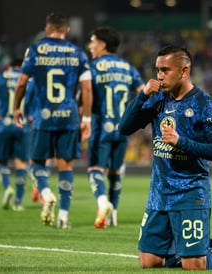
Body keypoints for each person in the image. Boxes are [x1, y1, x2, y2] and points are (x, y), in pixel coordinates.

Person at [119, 45, 212, 270]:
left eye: (165, 70)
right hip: (159, 193)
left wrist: (181, 142)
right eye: (157, 70)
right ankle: (194, 247)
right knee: (148, 262)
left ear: (184, 71)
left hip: (190, 192)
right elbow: (124, 128)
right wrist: (142, 95)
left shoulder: (206, 105)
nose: (159, 76)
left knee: (194, 266)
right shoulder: (157, 100)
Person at [13, 12, 92, 229]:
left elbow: (21, 83)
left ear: (47, 30)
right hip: (69, 117)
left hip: (43, 117)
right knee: (65, 165)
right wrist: (86, 118)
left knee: (36, 162)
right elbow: (86, 88)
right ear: (66, 30)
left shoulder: (36, 50)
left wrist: (16, 107)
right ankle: (64, 216)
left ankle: (46, 193)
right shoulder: (78, 53)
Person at [86, 26, 145, 228]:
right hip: (122, 127)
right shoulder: (128, 68)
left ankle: (103, 203)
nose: (90, 45)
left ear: (102, 44)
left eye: (92, 41)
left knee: (95, 169)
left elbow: (85, 95)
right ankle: (114, 213)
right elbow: (143, 94)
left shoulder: (92, 67)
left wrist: (84, 118)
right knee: (116, 172)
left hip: (100, 127)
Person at [0, 58, 34, 210]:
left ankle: (7, 188)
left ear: (9, 66)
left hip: (4, 123)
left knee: (2, 162)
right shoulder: (29, 79)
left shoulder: (0, 76)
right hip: (22, 125)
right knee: (21, 163)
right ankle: (18, 201)